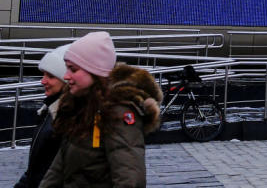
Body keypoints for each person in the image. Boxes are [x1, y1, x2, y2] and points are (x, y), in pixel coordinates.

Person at [39, 31, 162, 188]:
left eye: (73, 69)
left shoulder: (118, 113)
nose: (66, 76)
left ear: (94, 72)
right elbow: (58, 169)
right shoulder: (80, 106)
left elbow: (130, 179)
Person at [15, 46, 68, 188]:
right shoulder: (49, 111)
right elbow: (35, 168)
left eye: (50, 76)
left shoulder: (65, 118)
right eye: (43, 75)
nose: (43, 81)